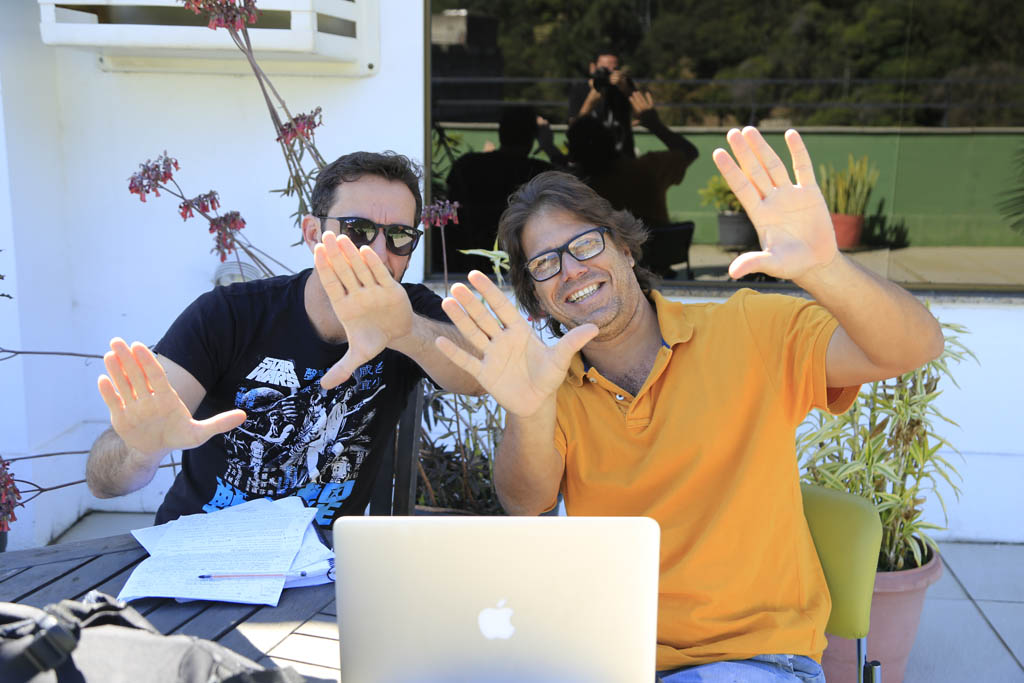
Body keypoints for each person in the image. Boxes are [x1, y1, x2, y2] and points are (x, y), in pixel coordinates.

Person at [432, 128, 944, 681]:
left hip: (753, 660)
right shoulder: (552, 386)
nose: (571, 270)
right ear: (537, 299)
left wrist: (824, 268)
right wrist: (529, 409)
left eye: (585, 245)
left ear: (625, 248)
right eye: (545, 265)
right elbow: (525, 503)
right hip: (611, 660)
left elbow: (914, 347)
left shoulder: (749, 329)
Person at [87, 151, 481, 530]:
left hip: (320, 559)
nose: (379, 253)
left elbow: (481, 374)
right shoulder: (228, 315)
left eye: (399, 236)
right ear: (313, 233)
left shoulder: (409, 312)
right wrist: (143, 452)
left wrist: (407, 332)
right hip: (199, 549)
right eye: (358, 231)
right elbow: (104, 485)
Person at [439, 107, 553, 273]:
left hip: (466, 260)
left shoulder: (468, 166)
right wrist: (550, 148)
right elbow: (575, 187)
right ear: (533, 136)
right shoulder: (539, 173)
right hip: (522, 261)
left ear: (500, 132)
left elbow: (450, 210)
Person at [568, 90, 699, 229]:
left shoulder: (576, 190)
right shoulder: (648, 169)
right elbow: (689, 152)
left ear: (574, 154)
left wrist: (587, 106)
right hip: (655, 243)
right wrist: (654, 124)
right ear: (614, 139)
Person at [567, 50, 637, 158]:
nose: (609, 71)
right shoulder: (579, 89)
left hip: (622, 155)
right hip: (590, 155)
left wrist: (623, 85)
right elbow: (573, 127)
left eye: (613, 68)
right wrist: (590, 101)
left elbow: (641, 109)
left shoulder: (623, 88)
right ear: (592, 68)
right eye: (604, 68)